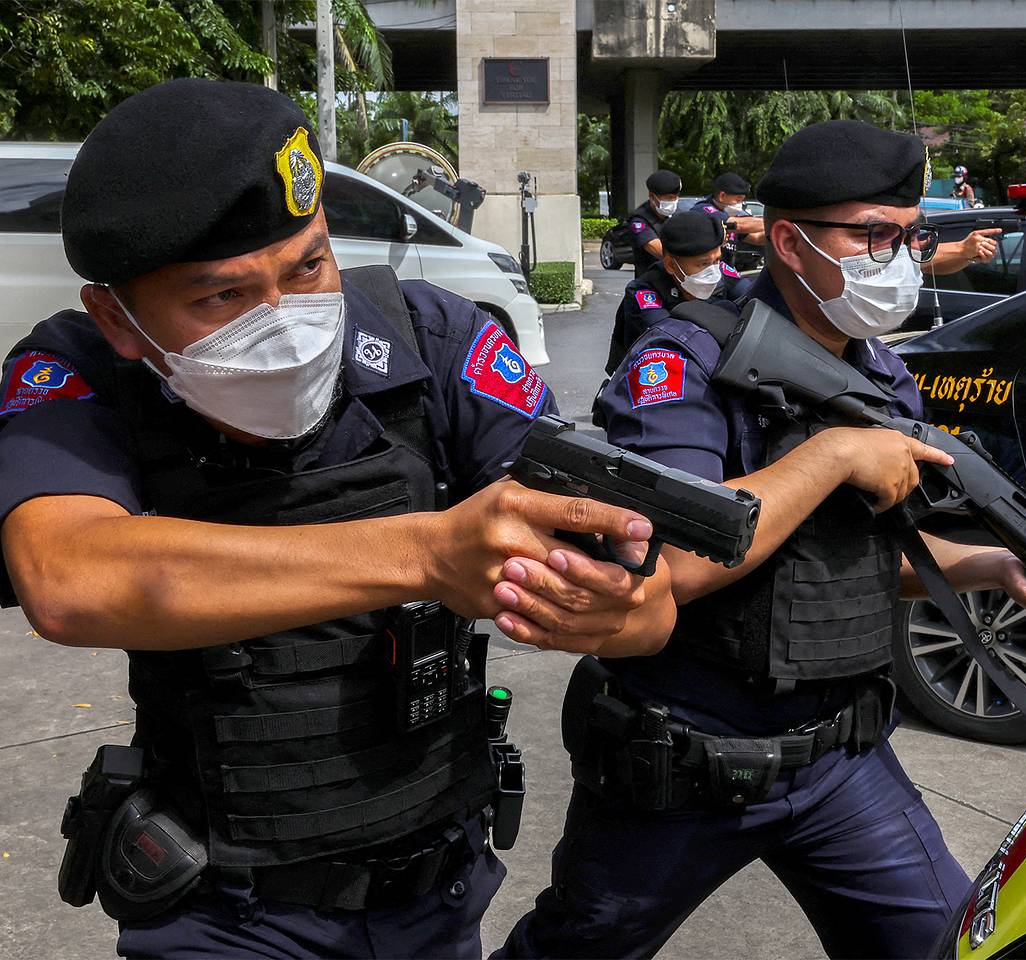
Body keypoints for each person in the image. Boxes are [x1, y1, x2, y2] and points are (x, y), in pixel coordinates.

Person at [0, 79, 677, 959]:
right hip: (223, 908)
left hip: (437, 895)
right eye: (221, 299)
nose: (285, 321)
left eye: (307, 266)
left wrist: (610, 604)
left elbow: (646, 601)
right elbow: (69, 578)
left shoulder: (428, 336)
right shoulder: (81, 370)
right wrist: (428, 553)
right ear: (118, 318)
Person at [498, 119, 1026, 960]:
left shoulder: (882, 375)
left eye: (908, 237)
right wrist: (830, 456)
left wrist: (996, 569)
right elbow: (670, 564)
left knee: (955, 946)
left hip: (839, 760)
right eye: (874, 234)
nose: (896, 257)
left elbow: (862, 559)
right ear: (789, 240)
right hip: (684, 760)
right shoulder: (685, 358)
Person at [603, 210, 744, 375]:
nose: (712, 271)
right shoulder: (645, 292)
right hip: (653, 382)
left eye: (717, 260)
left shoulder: (723, 274)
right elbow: (678, 341)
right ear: (670, 265)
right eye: (703, 264)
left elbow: (754, 302)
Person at [694, 172, 766, 270]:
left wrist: (777, 233)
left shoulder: (729, 214)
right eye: (738, 200)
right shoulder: (703, 210)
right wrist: (774, 221)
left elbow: (756, 238)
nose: (740, 204)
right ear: (722, 196)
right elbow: (738, 225)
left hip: (727, 272)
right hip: (706, 272)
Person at [626, 170, 682, 275]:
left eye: (675, 197)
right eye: (668, 197)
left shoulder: (677, 215)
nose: (673, 202)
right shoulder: (639, 220)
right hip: (650, 281)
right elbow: (658, 249)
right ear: (652, 196)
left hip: (675, 280)